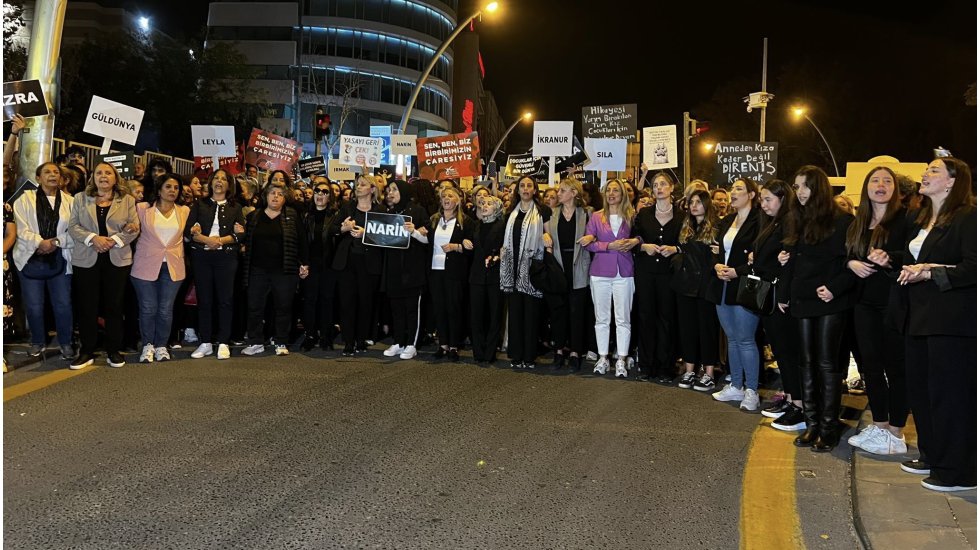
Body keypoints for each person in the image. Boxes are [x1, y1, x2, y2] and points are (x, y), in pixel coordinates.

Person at [891, 157, 975, 491]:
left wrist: (932, 271)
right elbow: (913, 259)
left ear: (953, 181)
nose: (925, 174)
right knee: (922, 392)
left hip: (951, 321)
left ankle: (959, 472)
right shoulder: (923, 216)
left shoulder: (968, 217)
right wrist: (893, 260)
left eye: (934, 170)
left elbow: (973, 266)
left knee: (949, 396)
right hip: (919, 316)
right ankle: (932, 455)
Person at [786, 166, 856, 452]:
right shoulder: (797, 219)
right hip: (803, 298)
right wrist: (785, 292)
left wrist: (835, 287)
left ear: (819, 188)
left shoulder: (843, 221)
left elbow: (853, 261)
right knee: (806, 361)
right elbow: (792, 259)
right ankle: (812, 423)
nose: (799, 191)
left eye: (805, 186)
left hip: (830, 300)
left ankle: (828, 427)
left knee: (828, 363)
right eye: (797, 186)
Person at [843, 167, 909, 454]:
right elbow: (846, 255)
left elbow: (913, 255)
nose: (880, 185)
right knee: (870, 366)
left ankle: (896, 431)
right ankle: (880, 425)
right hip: (863, 303)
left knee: (896, 367)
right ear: (866, 187)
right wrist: (850, 264)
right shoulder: (858, 222)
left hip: (893, 302)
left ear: (895, 188)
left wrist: (889, 259)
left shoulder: (906, 220)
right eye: (874, 180)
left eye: (886, 181)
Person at [68, 162, 140, 369]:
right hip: (86, 258)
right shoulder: (80, 198)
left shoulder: (127, 200)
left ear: (115, 177)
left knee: (114, 306)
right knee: (86, 306)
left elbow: (134, 228)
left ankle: (113, 351)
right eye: (99, 173)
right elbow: (73, 227)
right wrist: (93, 238)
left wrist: (113, 241)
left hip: (116, 258)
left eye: (108, 172)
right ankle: (87, 351)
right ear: (93, 177)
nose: (103, 176)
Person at [748, 180, 805, 431]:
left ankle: (799, 406)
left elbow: (788, 262)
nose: (763, 203)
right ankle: (792, 399)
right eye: (762, 199)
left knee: (788, 353)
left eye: (768, 199)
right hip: (770, 297)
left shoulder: (790, 221)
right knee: (782, 352)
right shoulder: (772, 222)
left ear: (783, 198)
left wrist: (784, 295)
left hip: (780, 298)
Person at [708, 178, 763, 411]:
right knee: (731, 337)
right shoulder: (727, 220)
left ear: (751, 194)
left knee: (746, 339)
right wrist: (717, 266)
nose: (733, 193)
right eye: (732, 189)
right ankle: (736, 385)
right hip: (723, 284)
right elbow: (716, 250)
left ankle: (752, 390)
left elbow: (759, 257)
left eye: (739, 189)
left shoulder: (759, 221)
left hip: (745, 285)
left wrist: (737, 271)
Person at [12, 162, 75, 361]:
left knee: (63, 304)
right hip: (30, 257)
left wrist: (56, 242)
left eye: (56, 172)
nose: (52, 175)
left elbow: (74, 229)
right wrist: (40, 242)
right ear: (38, 178)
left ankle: (66, 342)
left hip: (60, 257)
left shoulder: (71, 201)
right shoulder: (24, 199)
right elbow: (21, 229)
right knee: (34, 305)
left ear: (61, 178)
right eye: (47, 172)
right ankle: (37, 341)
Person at [240, 182, 309, 356]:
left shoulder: (292, 216)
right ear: (266, 196)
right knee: (254, 306)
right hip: (257, 270)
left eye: (280, 194)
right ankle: (255, 341)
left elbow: (302, 241)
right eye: (272, 193)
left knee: (283, 307)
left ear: (285, 199)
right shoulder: (254, 216)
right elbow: (245, 241)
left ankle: (281, 341)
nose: (276, 196)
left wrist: (305, 263)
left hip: (285, 270)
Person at [130, 173, 190, 363]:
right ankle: (148, 345)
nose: (173, 190)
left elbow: (188, 235)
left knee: (165, 309)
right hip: (145, 265)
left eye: (176, 188)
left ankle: (162, 345)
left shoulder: (185, 211)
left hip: (173, 266)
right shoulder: (142, 208)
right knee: (148, 308)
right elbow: (129, 227)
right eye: (168, 187)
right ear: (158, 189)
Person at [186, 169, 245, 360]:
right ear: (210, 183)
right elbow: (189, 231)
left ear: (229, 185)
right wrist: (204, 238)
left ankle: (223, 342)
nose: (219, 181)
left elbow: (241, 234)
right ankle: (205, 342)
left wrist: (219, 240)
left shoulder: (236, 207)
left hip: (226, 258)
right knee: (205, 299)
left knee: (225, 300)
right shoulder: (199, 204)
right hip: (202, 258)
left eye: (223, 179)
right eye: (216, 178)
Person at [631, 171, 683, 383]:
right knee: (646, 317)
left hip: (669, 275)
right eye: (655, 185)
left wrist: (676, 248)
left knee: (667, 319)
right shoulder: (643, 214)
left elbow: (689, 243)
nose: (659, 188)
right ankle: (646, 364)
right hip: (646, 273)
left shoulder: (682, 216)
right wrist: (644, 246)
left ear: (671, 188)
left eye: (663, 184)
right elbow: (632, 240)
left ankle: (665, 366)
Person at [583, 179, 637, 378]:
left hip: (624, 272)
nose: (612, 193)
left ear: (623, 194)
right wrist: (608, 246)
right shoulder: (596, 217)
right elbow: (588, 243)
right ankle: (603, 356)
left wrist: (634, 241)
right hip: (600, 272)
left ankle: (621, 359)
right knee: (602, 318)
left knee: (623, 318)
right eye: (608, 190)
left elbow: (640, 238)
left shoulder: (631, 215)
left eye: (616, 190)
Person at [672, 189, 721, 391]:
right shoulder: (686, 227)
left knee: (707, 330)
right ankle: (690, 369)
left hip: (706, 286)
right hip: (685, 285)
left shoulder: (717, 227)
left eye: (698, 202)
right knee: (688, 329)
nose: (694, 205)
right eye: (691, 202)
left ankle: (708, 372)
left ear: (706, 204)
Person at [331, 175, 384, 356]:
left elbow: (388, 237)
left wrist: (365, 233)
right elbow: (332, 229)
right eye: (357, 185)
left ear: (372, 189)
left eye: (363, 185)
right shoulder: (347, 207)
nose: (358, 187)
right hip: (347, 263)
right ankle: (348, 341)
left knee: (365, 303)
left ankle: (361, 340)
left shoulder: (380, 210)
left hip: (369, 264)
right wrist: (344, 229)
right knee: (347, 303)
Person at [501, 176, 551, 369]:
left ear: (535, 189)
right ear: (518, 190)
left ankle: (529, 356)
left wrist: (548, 241)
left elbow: (548, 237)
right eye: (522, 186)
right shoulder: (510, 212)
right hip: (512, 269)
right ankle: (516, 355)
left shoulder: (542, 211)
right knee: (515, 314)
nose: (525, 188)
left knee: (531, 315)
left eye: (529, 185)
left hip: (532, 269)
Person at [543, 178, 592, 372]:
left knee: (577, 312)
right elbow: (544, 236)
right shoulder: (552, 214)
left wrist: (592, 237)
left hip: (579, 265)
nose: (558, 193)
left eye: (562, 190)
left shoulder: (586, 213)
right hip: (558, 267)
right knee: (558, 312)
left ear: (573, 192)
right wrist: (544, 236)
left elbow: (596, 233)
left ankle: (575, 352)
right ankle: (558, 351)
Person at [380, 179, 430, 360]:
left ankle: (411, 343)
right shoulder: (389, 213)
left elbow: (428, 240)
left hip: (412, 269)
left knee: (411, 309)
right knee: (396, 308)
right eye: (388, 190)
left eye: (394, 189)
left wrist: (414, 232)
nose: (390, 193)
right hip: (394, 268)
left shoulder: (418, 211)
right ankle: (398, 341)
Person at [428, 186, 473, 362]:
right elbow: (427, 240)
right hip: (435, 270)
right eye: (443, 196)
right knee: (439, 308)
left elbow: (472, 248)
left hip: (454, 271)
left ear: (458, 200)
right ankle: (443, 344)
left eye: (450, 196)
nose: (446, 199)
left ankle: (454, 345)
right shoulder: (433, 220)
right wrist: (416, 233)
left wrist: (457, 247)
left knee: (454, 308)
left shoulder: (466, 222)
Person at [300, 177, 340, 352]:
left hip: (329, 267)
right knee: (309, 301)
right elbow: (301, 243)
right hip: (310, 266)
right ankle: (310, 334)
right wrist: (303, 264)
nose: (320, 194)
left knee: (326, 301)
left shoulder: (336, 217)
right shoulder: (306, 216)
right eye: (317, 191)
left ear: (329, 197)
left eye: (325, 192)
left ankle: (325, 335)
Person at [469, 195, 507, 366]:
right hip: (476, 276)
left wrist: (497, 256)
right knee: (476, 315)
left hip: (494, 275)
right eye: (482, 203)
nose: (484, 206)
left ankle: (490, 352)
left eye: (489, 204)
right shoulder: (475, 226)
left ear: (497, 208)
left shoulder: (502, 226)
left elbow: (506, 249)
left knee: (494, 315)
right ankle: (478, 351)